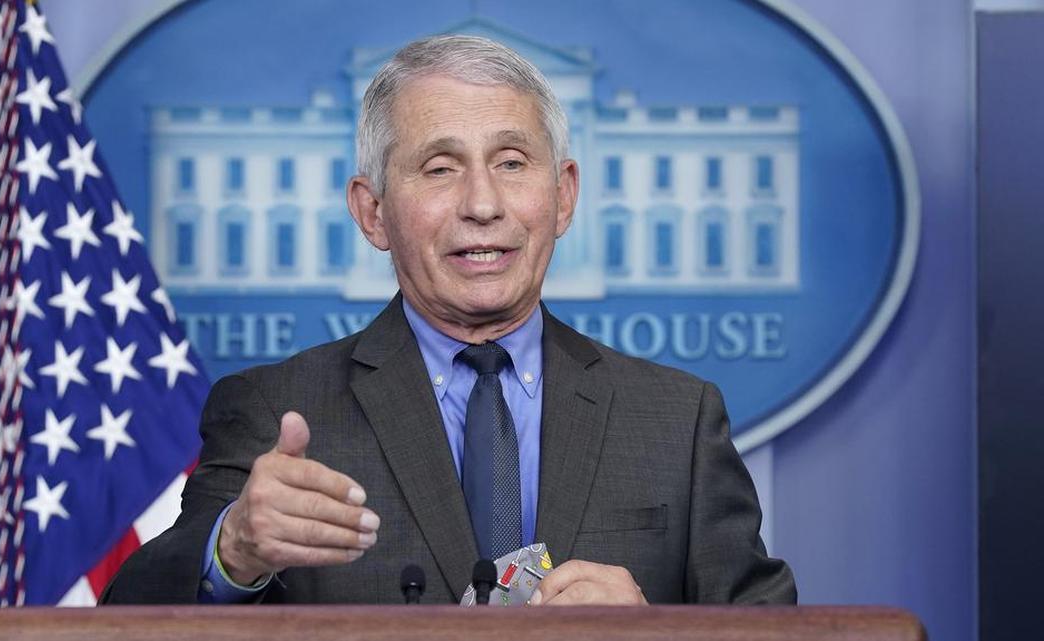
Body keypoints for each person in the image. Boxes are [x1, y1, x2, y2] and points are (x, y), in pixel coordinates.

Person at [101, 34, 795, 606]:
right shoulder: (274, 412)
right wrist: (235, 549)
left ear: (563, 197)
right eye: (440, 168)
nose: (483, 203)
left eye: (512, 162)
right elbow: (132, 613)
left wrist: (655, 634)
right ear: (372, 212)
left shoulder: (678, 421)